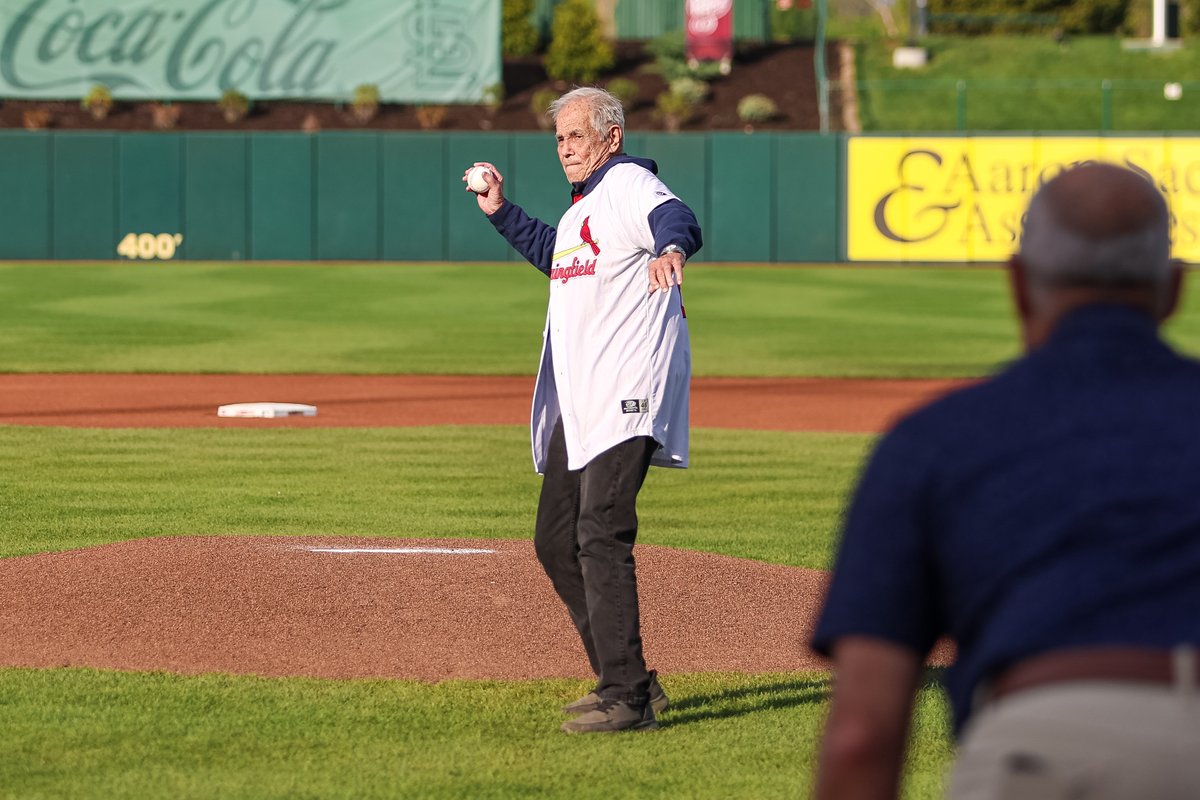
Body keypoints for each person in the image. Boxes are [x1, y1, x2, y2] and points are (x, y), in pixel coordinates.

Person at [811, 162, 1200, 798]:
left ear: (1018, 285)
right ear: (1173, 290)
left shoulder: (933, 440)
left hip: (1043, 751)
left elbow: (862, 735)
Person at [464, 87, 702, 734]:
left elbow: (675, 216)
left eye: (576, 135)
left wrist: (671, 251)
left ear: (612, 136)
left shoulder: (626, 184)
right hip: (586, 395)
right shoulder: (583, 209)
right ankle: (628, 681)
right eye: (560, 138)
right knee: (554, 539)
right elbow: (559, 258)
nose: (566, 147)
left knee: (600, 530)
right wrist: (500, 211)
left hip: (626, 389)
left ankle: (626, 699)